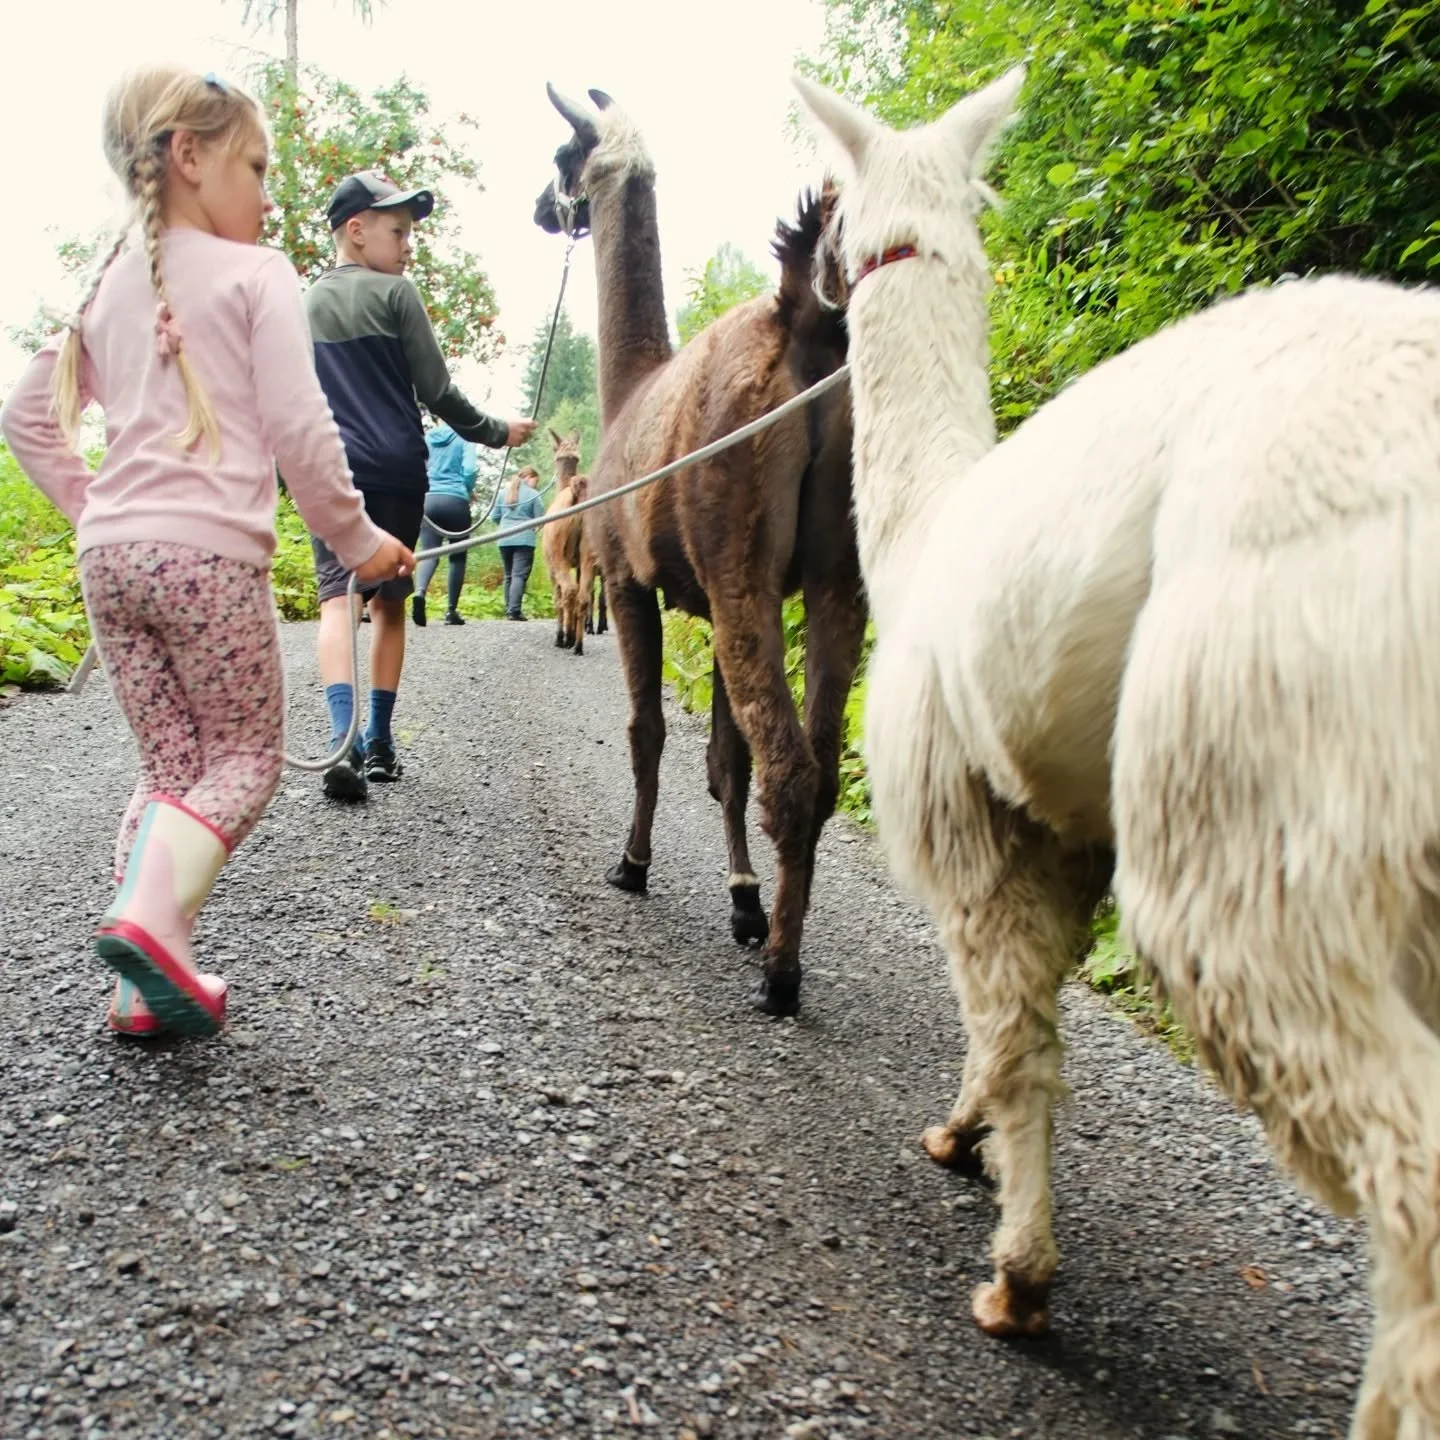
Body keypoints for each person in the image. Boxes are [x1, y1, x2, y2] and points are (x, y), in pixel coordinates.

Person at [0, 66, 412, 1040]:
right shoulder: (255, 274)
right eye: (256, 168)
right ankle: (149, 925)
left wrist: (99, 512)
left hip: (110, 565)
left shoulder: (112, 280)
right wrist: (358, 543)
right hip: (208, 565)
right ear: (188, 156)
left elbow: (25, 416)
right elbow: (302, 434)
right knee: (245, 761)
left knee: (169, 773)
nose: (269, 198)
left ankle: (141, 989)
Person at [305, 170, 536, 801]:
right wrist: (497, 432)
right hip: (399, 471)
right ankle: (380, 742)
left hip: (331, 472)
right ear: (357, 231)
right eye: (399, 231)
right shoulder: (397, 294)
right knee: (388, 603)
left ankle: (341, 741)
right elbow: (437, 391)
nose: (408, 246)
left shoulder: (305, 305)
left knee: (338, 603)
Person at [413, 421, 479, 627]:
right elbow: (470, 469)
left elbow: (417, 465)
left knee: (429, 552)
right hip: (455, 500)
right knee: (457, 556)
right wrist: (467, 489)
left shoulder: (428, 437)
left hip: (428, 500)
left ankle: (420, 593)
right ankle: (451, 611)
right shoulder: (464, 437)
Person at [489, 465, 546, 620]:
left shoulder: (502, 493)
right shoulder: (533, 495)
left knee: (509, 575)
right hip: (524, 539)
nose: (536, 485)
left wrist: (506, 523)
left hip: (504, 538)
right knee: (519, 575)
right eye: (535, 481)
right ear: (528, 477)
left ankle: (509, 609)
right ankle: (514, 611)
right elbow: (540, 519)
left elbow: (494, 517)